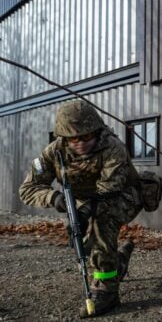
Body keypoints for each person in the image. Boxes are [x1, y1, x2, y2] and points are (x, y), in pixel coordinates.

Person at [19, 100, 142, 318]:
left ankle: (106, 292)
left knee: (99, 224)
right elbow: (28, 188)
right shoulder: (54, 152)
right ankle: (118, 263)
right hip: (83, 202)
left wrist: (84, 213)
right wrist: (55, 199)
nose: (81, 142)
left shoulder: (113, 148)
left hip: (123, 196)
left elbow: (108, 191)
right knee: (86, 241)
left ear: (96, 131)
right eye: (73, 138)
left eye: (87, 136)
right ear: (64, 137)